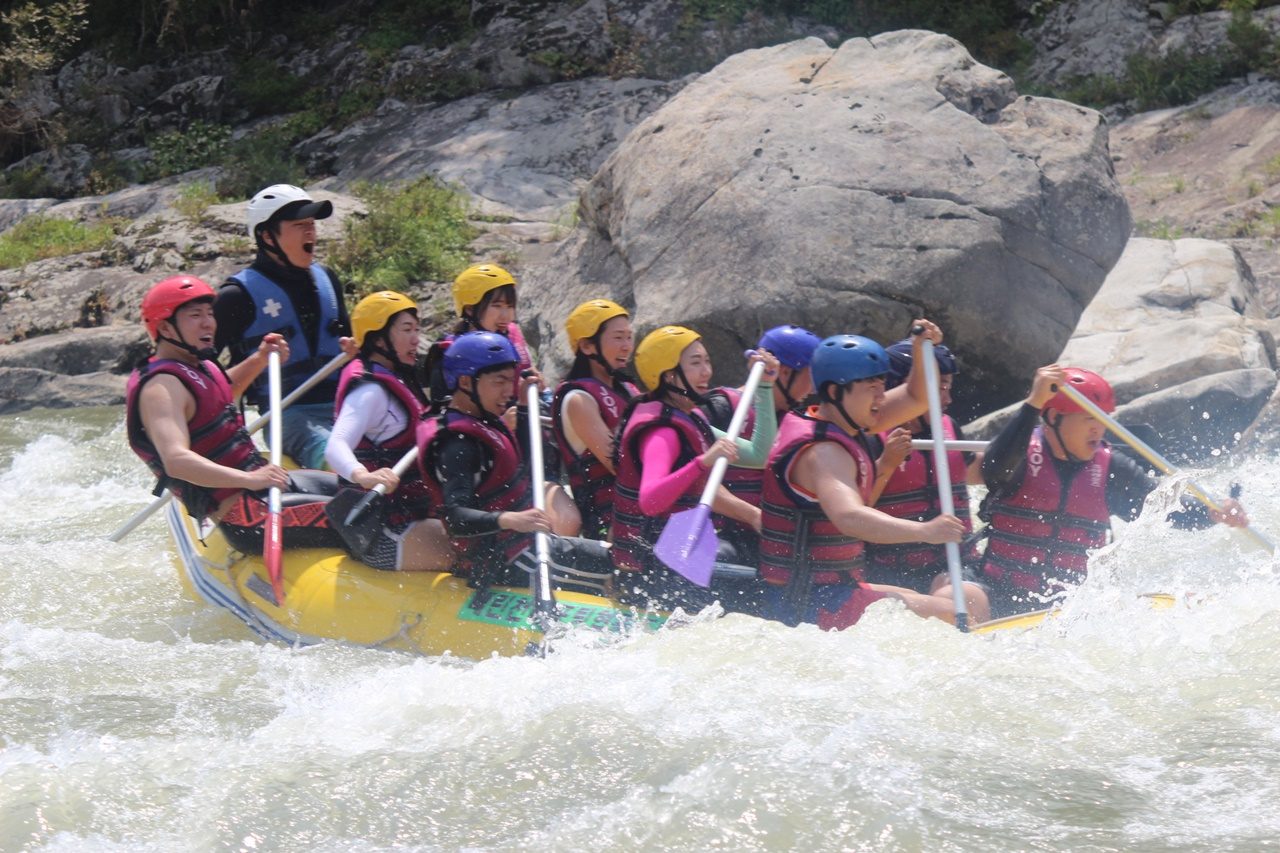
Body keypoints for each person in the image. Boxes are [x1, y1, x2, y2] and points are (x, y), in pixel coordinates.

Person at [757, 327, 990, 630]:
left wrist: (921, 349)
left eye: (882, 385)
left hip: (831, 590)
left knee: (934, 601)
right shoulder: (824, 452)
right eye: (872, 387)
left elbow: (916, 397)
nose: (882, 396)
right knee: (952, 614)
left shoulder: (844, 420)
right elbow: (849, 517)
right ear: (835, 392)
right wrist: (925, 530)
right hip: (809, 601)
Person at [978, 364, 1250, 617]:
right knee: (968, 599)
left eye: (1103, 419)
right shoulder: (1019, 456)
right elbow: (993, 470)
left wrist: (1212, 512)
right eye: (1089, 418)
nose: (1099, 429)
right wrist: (1033, 403)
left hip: (1073, 604)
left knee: (1187, 602)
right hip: (1000, 593)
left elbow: (1165, 509)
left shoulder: (1111, 470)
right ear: (1053, 417)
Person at [126, 275, 342, 554]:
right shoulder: (160, 388)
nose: (208, 323)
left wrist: (260, 359)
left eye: (209, 314)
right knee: (359, 513)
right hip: (246, 516)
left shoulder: (197, 366)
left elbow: (218, 395)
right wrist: (249, 480)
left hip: (262, 488)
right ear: (166, 327)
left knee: (361, 491)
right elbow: (176, 462)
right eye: (195, 315)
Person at [416, 331, 612, 595]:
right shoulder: (457, 444)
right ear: (465, 381)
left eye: (511, 380)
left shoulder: (483, 420)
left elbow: (522, 467)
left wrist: (523, 405)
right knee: (622, 568)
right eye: (499, 381)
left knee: (626, 559)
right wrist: (511, 519)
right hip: (503, 562)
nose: (507, 391)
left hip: (525, 547)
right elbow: (456, 519)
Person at [609, 325, 780, 614]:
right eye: (696, 363)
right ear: (669, 376)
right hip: (656, 563)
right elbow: (650, 500)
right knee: (757, 589)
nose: (706, 372)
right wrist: (702, 462)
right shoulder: (662, 432)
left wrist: (764, 387)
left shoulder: (690, 417)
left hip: (682, 552)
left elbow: (760, 455)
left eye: (707, 361)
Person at [214, 184, 351, 470]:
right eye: (299, 225)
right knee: (336, 454)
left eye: (312, 224)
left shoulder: (327, 279)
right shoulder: (235, 296)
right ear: (267, 235)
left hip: (346, 405)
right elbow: (202, 375)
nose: (311, 232)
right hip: (287, 414)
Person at [325, 291, 453, 572]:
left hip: (416, 514)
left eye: (417, 330)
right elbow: (335, 446)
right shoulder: (370, 391)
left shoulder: (401, 377)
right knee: (473, 549)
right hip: (383, 532)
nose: (416, 339)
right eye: (407, 330)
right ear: (379, 339)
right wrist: (364, 476)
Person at [863, 339, 984, 593]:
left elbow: (980, 472)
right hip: (890, 569)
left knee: (962, 592)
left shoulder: (949, 428)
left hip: (955, 565)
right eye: (940, 388)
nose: (948, 399)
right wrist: (886, 465)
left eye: (948, 387)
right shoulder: (870, 438)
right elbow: (853, 513)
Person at [698, 324, 821, 565]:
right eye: (810, 376)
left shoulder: (796, 420)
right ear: (784, 372)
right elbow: (693, 479)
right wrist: (753, 515)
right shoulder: (719, 408)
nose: (813, 388)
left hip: (768, 539)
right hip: (721, 536)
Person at [551, 299, 640, 540]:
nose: (627, 346)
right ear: (588, 346)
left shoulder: (629, 392)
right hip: (607, 523)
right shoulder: (578, 399)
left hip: (645, 510)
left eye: (629, 337)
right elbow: (621, 466)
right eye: (618, 338)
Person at [425, 263, 533, 406]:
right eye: (497, 306)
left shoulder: (512, 336)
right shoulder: (451, 353)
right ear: (470, 309)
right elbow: (442, 411)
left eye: (510, 306)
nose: (506, 316)